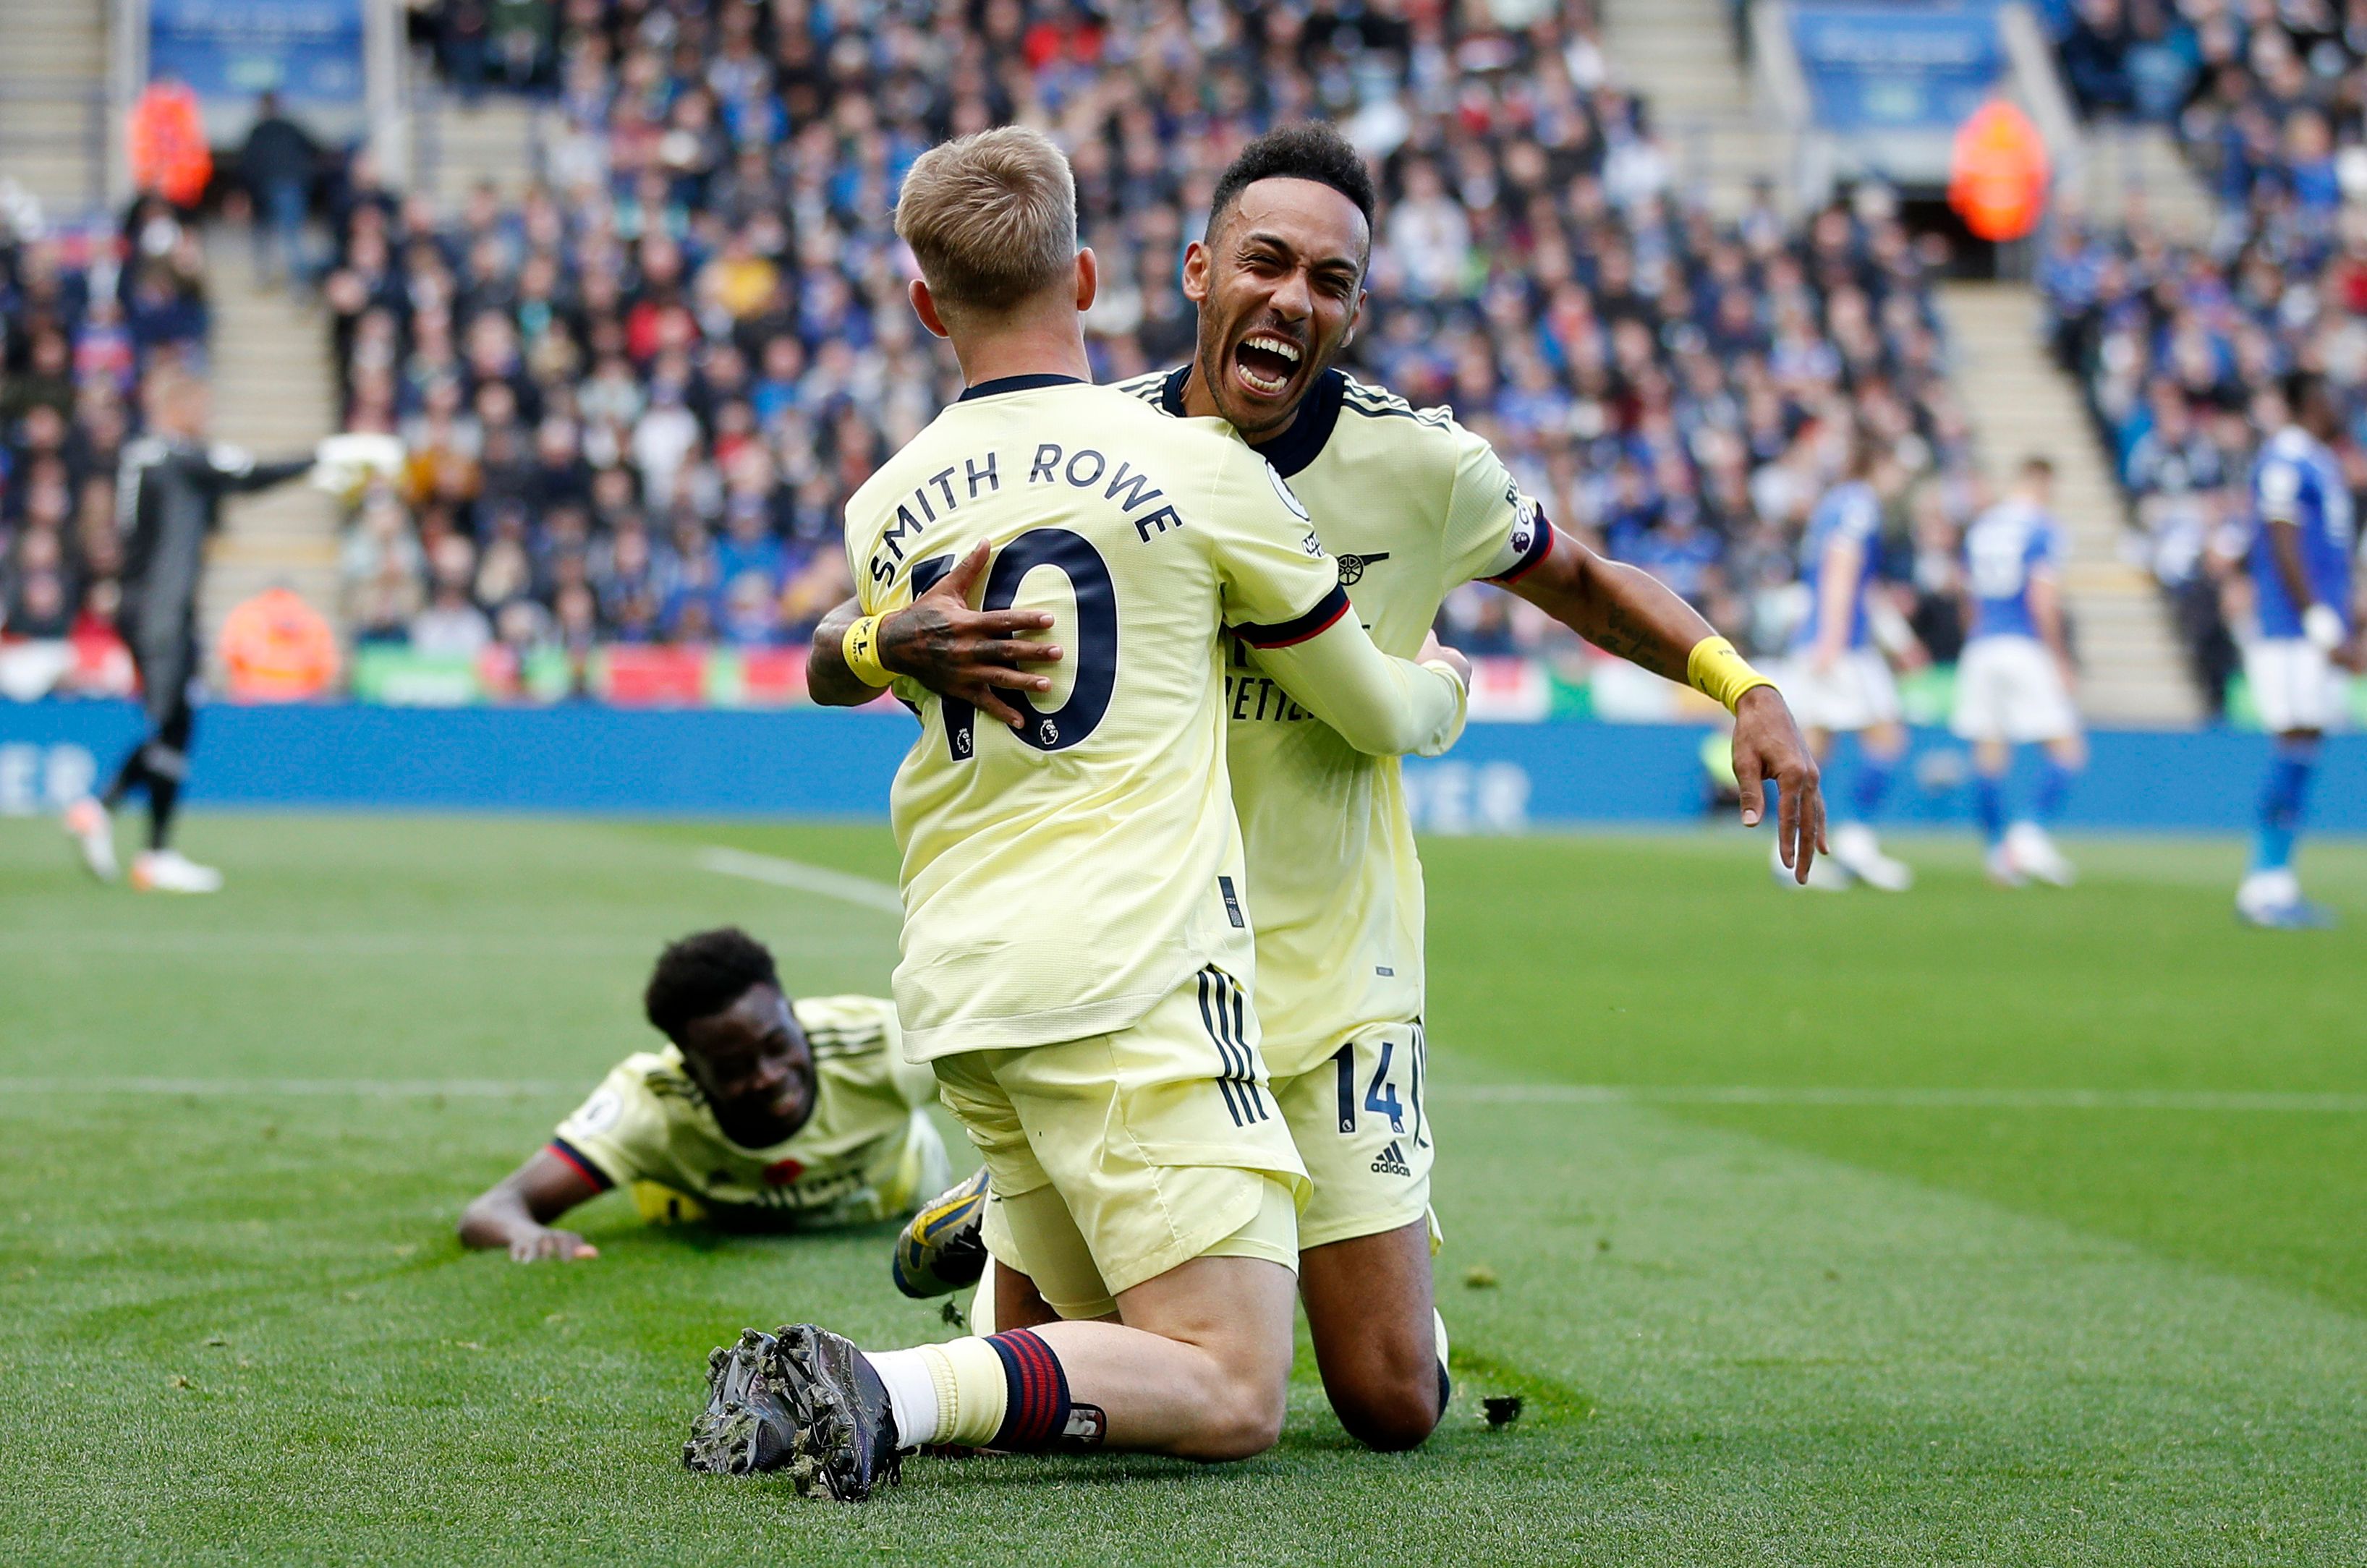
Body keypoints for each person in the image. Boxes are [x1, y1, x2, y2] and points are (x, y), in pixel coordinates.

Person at [833, 123, 1819, 1453]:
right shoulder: (1110, 445)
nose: (1295, 298)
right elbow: (894, 620)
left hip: (1324, 980)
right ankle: (1026, 1205)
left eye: (1332, 281)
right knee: (1115, 1363)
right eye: (1267, 262)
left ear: (1355, 310)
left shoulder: (1420, 466)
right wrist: (872, 639)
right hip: (1146, 986)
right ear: (1195, 272)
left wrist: (1734, 679)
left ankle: (1157, 1216)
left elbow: (1581, 578)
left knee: (1389, 1401)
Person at [684, 126, 1471, 1499]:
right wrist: (1447, 681)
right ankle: (885, 1380)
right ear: (1093, 277)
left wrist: (868, 647)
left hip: (963, 990)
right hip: (1132, 978)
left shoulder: (885, 503)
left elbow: (834, 657)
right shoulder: (1200, 463)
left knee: (1059, 1356)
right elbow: (1375, 714)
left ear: (927, 305)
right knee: (1230, 1382)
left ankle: (962, 1275)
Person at [458, 929, 949, 1261]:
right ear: (691, 1069)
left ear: (795, 1015)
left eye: (777, 1044)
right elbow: (492, 1210)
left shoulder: (883, 1042)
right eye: (734, 1068)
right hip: (704, 1226)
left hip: (895, 1208)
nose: (768, 1076)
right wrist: (535, 1239)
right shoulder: (649, 1104)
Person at [61, 365, 319, 892]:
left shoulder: (143, 458)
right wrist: (321, 461)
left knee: (174, 724)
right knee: (174, 725)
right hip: (161, 610)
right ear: (176, 409)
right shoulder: (176, 457)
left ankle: (110, 815)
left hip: (146, 605)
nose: (206, 419)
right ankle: (142, 842)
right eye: (199, 409)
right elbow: (249, 475)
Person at [2229, 373, 2362, 928]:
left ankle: (2277, 878)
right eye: (2329, 397)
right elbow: (2282, 539)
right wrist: (2317, 620)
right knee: (2293, 740)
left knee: (2307, 742)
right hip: (2291, 631)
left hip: (2318, 625)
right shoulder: (2285, 458)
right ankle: (2262, 885)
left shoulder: (2321, 462)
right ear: (2309, 400)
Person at [1782, 435, 1919, 892]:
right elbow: (1842, 568)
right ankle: (1856, 842)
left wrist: (1898, 638)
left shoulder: (1834, 503)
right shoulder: (1860, 504)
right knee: (1886, 738)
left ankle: (1790, 856)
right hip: (1840, 644)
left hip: (1821, 636)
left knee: (1816, 750)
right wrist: (1835, 638)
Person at [1951, 457, 2084, 886]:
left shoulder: (1982, 527)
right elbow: (2042, 599)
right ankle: (2027, 835)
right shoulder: (2043, 528)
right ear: (2045, 485)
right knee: (2067, 750)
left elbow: (1967, 596)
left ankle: (1996, 855)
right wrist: (2060, 658)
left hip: (1981, 646)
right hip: (2022, 645)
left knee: (1989, 756)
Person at [239, 93, 319, 289]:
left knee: (273, 236)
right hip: (286, 187)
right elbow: (314, 149)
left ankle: (270, 279)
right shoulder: (291, 128)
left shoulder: (257, 131)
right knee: (290, 235)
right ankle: (299, 285)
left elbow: (247, 164)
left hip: (269, 188)